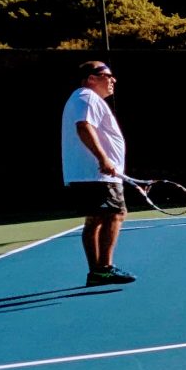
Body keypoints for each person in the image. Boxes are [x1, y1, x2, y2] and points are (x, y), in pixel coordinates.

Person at [61, 61, 136, 286]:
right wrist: (103, 158)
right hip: (96, 174)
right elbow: (83, 126)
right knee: (115, 214)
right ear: (91, 78)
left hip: (88, 174)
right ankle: (104, 269)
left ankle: (97, 272)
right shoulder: (86, 96)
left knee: (95, 219)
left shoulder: (82, 98)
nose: (113, 80)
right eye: (107, 75)